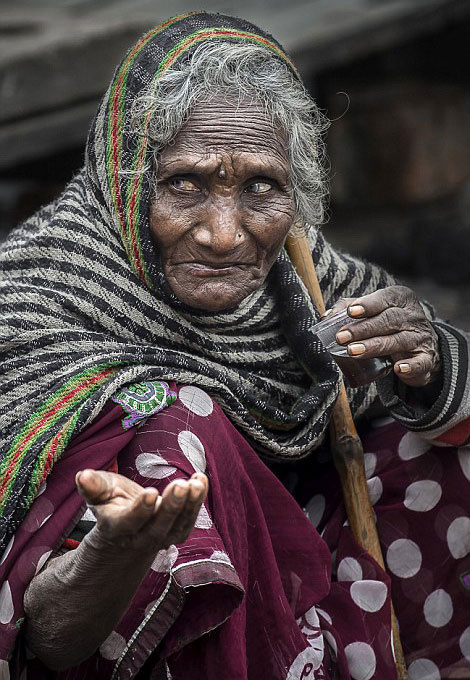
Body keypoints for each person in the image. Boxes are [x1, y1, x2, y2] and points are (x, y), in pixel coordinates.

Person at [0, 11, 469, 680]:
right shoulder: (30, 305)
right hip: (135, 634)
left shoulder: (303, 279)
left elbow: (444, 389)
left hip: (294, 597)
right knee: (172, 415)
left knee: (438, 447)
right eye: (184, 183)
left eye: (261, 187)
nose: (224, 235)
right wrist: (116, 550)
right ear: (124, 183)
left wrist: (428, 365)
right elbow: (47, 639)